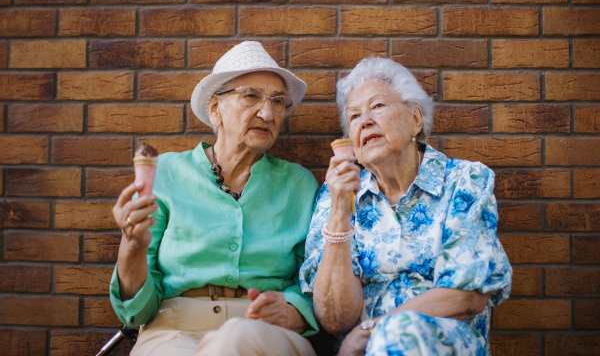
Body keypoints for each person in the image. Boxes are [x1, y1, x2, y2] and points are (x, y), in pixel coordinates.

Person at [110, 41, 319, 356]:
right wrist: (132, 245)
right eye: (251, 95)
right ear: (214, 109)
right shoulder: (166, 173)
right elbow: (136, 312)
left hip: (264, 333)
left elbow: (314, 283)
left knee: (234, 341)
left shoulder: (299, 185)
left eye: (278, 101)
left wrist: (291, 311)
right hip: (173, 331)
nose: (268, 112)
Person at [300, 57, 512, 356]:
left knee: (402, 334)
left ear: (415, 119)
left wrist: (373, 329)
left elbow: (467, 295)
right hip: (363, 350)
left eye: (377, 106)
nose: (365, 121)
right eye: (354, 116)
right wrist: (339, 213)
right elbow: (336, 319)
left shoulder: (464, 181)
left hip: (439, 343)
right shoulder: (336, 195)